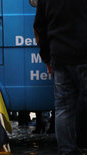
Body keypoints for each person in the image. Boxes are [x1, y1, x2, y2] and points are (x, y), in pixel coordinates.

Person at [34, 0, 87, 154]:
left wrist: (47, 57)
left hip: (60, 55)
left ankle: (67, 150)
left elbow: (39, 26)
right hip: (84, 54)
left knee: (63, 108)